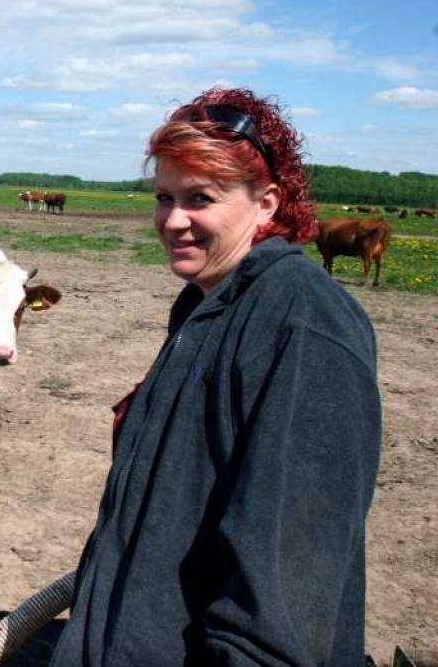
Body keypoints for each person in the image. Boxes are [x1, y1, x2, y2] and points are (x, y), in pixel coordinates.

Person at [49, 87, 382, 666]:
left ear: (268, 203)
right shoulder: (208, 305)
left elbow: (281, 613)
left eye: (200, 198)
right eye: (163, 197)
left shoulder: (304, 329)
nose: (173, 221)